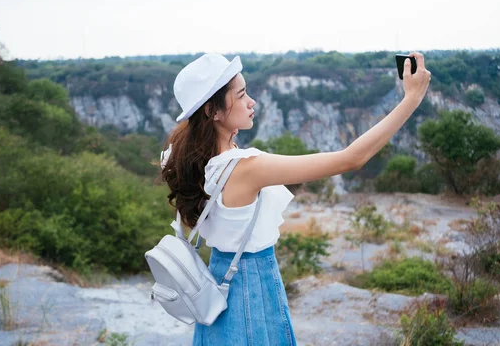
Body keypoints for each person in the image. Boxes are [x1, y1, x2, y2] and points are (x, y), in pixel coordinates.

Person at [160, 52, 431, 345]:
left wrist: (228, 133)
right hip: (251, 288)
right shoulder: (245, 167)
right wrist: (411, 99)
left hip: (219, 280)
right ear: (212, 111)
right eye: (240, 96)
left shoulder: (182, 157)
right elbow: (352, 159)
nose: (251, 102)